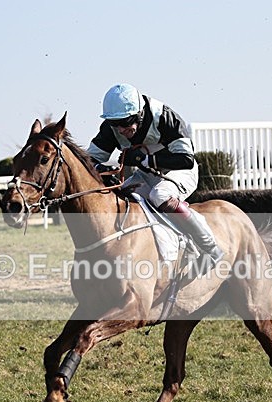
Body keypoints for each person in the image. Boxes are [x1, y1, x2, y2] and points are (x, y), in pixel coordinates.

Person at [87, 83, 223, 276]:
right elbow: (89, 160)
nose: (121, 129)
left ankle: (210, 248)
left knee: (160, 194)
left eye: (126, 122)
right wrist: (102, 169)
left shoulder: (165, 118)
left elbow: (186, 159)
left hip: (179, 171)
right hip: (147, 174)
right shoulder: (113, 127)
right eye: (115, 124)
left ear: (139, 114)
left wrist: (146, 159)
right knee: (122, 196)